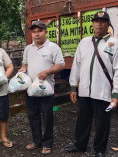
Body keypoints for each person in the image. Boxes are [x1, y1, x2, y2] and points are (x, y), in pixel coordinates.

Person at [65, 11, 118, 157]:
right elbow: (77, 64)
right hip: (84, 90)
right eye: (96, 21)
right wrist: (73, 86)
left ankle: (99, 149)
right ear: (92, 24)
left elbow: (117, 70)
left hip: (103, 91)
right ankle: (80, 145)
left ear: (108, 24)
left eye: (102, 21)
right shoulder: (84, 42)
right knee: (82, 120)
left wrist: (115, 94)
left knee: (102, 123)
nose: (99, 23)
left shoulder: (114, 44)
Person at [18, 21, 65, 155]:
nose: (37, 34)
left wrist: (47, 72)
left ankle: (47, 143)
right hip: (31, 89)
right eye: (34, 31)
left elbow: (60, 65)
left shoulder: (53, 47)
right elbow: (25, 65)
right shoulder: (28, 48)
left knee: (47, 117)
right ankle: (36, 141)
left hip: (46, 89)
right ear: (31, 33)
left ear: (45, 32)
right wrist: (22, 71)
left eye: (39, 31)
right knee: (33, 116)